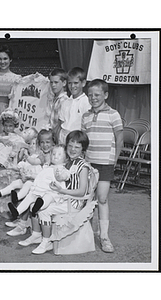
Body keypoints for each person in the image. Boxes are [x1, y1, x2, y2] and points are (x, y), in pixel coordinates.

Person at [18, 130, 90, 255]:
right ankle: (36, 234)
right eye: (70, 146)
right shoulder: (68, 162)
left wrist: (61, 190)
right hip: (63, 196)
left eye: (77, 147)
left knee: (44, 210)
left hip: (73, 202)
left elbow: (81, 192)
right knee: (34, 203)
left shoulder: (82, 166)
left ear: (83, 150)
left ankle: (47, 242)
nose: (73, 149)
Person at [81, 79, 123, 253]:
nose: (93, 98)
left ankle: (104, 237)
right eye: (90, 95)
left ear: (105, 95)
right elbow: (83, 141)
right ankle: (87, 234)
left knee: (102, 198)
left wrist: (114, 160)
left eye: (97, 95)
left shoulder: (114, 114)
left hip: (105, 163)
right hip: (89, 163)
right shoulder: (85, 116)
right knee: (88, 198)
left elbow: (119, 139)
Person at [0, 127, 57, 236]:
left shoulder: (54, 155)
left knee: (29, 190)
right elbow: (35, 163)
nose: (45, 145)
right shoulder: (42, 154)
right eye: (42, 142)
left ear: (53, 143)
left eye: (48, 142)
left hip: (47, 186)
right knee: (27, 186)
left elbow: (47, 172)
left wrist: (32, 174)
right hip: (40, 181)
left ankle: (21, 223)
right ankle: (20, 219)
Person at [7, 145, 70, 220]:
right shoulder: (47, 166)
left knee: (48, 198)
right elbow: (40, 176)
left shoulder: (62, 169)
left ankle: (37, 207)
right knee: (29, 197)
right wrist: (31, 175)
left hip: (52, 191)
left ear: (66, 158)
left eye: (59, 154)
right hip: (40, 189)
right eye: (53, 154)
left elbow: (66, 176)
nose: (55, 156)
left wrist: (60, 176)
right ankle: (17, 211)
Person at [58, 67, 91, 145]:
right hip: (63, 137)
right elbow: (61, 122)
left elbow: (87, 126)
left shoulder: (86, 102)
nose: (72, 86)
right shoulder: (65, 102)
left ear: (83, 83)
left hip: (77, 139)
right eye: (70, 83)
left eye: (76, 83)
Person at [48, 68, 69, 144]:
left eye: (56, 82)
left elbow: (60, 123)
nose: (53, 85)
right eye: (51, 82)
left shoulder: (64, 100)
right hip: (52, 137)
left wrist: (54, 137)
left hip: (58, 138)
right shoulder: (55, 99)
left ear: (64, 83)